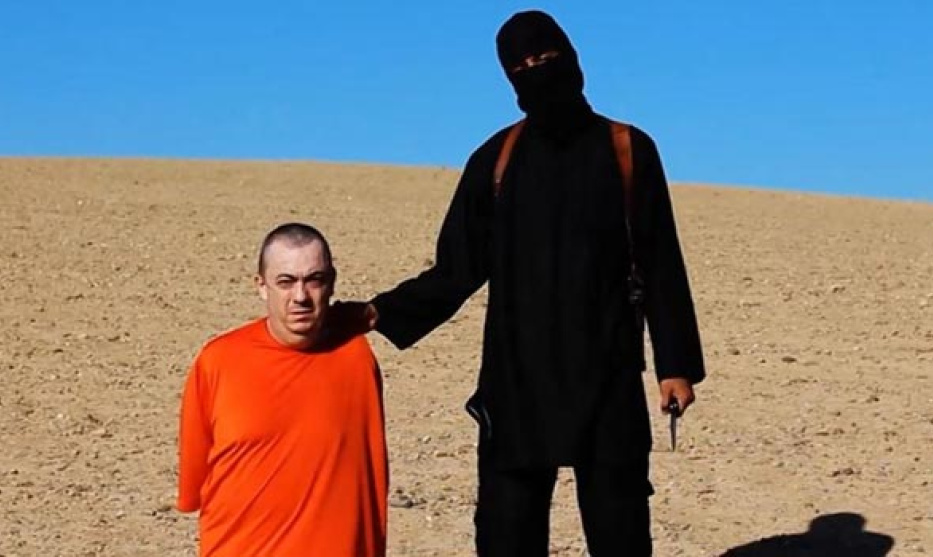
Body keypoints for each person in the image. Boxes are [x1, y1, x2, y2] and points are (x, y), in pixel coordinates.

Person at [341, 9, 706, 556]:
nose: (536, 71)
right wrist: (378, 313)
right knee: (506, 534)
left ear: (572, 58)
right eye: (521, 66)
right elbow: (457, 269)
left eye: (546, 57)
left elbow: (660, 262)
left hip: (606, 374)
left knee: (621, 531)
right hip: (516, 382)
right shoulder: (495, 161)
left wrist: (675, 365)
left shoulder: (627, 150)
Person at [175, 223, 388, 557]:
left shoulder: (357, 358)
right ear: (261, 286)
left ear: (332, 283)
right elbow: (196, 484)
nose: (300, 297)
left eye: (314, 280)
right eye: (285, 282)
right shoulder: (218, 362)